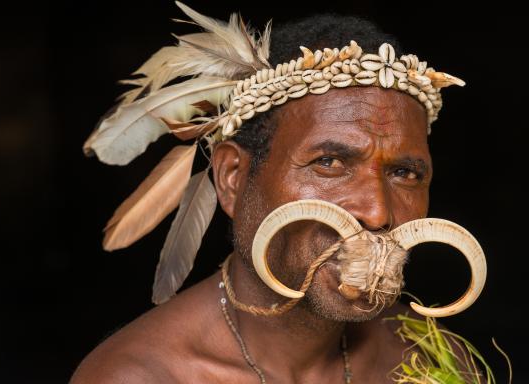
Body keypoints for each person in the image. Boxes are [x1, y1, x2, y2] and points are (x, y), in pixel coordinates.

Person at [71, 3, 483, 383]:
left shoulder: (433, 359)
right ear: (233, 178)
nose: (377, 212)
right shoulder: (140, 376)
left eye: (404, 172)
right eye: (329, 163)